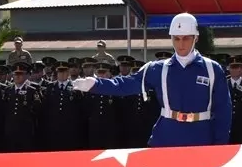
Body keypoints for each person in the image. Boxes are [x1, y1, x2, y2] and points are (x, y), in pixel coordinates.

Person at [72, 12, 231, 147]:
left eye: (186, 38)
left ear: (196, 38)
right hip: (167, 135)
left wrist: (220, 145)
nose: (181, 44)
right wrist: (96, 84)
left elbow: (224, 111)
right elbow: (127, 85)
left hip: (201, 135)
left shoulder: (212, 69)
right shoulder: (158, 69)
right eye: (176, 39)